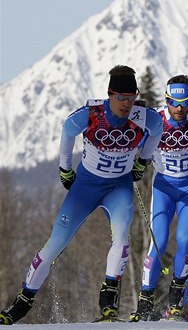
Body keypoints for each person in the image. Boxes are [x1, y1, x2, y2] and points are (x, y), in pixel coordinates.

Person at [0, 65, 163, 324]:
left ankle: (108, 303)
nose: (126, 104)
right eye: (121, 98)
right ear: (110, 94)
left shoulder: (146, 117)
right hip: (85, 187)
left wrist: (143, 161)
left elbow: (158, 131)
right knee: (55, 243)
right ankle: (21, 304)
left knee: (122, 240)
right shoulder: (91, 114)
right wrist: (65, 169)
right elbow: (67, 130)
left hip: (118, 188)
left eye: (131, 98)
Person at [129, 75, 188, 321]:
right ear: (167, 100)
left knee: (185, 241)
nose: (180, 108)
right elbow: (134, 141)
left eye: (185, 102)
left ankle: (175, 301)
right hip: (163, 187)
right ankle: (145, 301)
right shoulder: (156, 120)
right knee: (158, 242)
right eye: (174, 102)